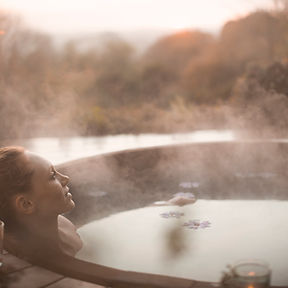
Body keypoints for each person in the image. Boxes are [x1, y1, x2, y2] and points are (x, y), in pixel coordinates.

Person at [0, 146, 83, 259]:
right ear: (26, 204)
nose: (65, 178)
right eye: (52, 175)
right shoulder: (27, 257)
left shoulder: (64, 225)